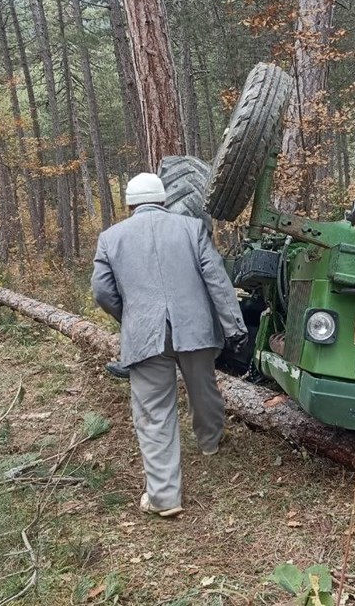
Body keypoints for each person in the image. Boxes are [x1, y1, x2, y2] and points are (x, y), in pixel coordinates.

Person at [91, 172, 247, 518]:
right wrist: (234, 326)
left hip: (146, 335)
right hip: (195, 329)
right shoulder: (192, 228)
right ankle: (210, 441)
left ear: (130, 205)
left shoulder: (110, 238)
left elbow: (102, 291)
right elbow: (217, 280)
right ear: (163, 200)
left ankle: (164, 498)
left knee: (154, 411)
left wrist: (130, 316)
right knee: (204, 387)